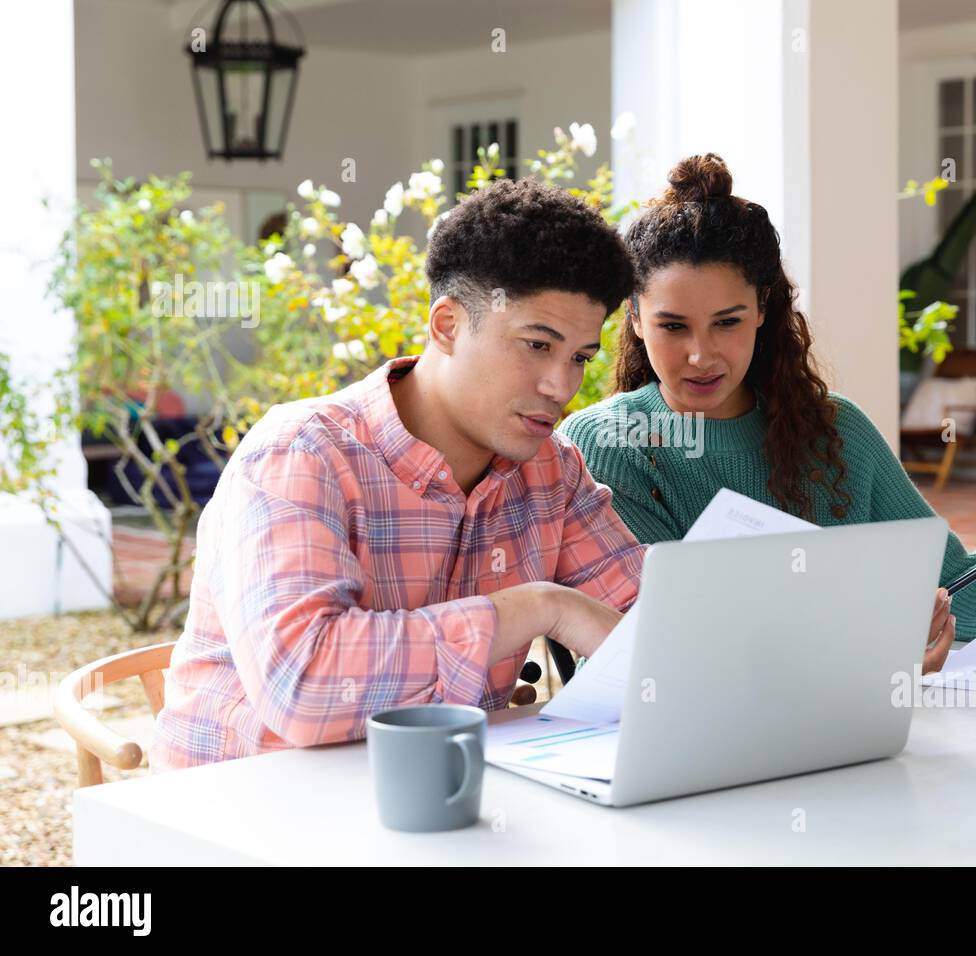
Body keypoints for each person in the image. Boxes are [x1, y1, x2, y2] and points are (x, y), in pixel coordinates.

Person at [559, 153, 976, 674]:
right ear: (634, 317)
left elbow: (948, 578)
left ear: (762, 310)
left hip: (845, 732)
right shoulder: (608, 443)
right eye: (672, 325)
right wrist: (873, 652)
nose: (701, 354)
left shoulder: (836, 430)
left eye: (728, 322)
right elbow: (676, 631)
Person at [151, 179, 644, 771]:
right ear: (447, 326)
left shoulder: (550, 470)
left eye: (580, 358)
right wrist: (539, 608)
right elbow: (303, 687)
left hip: (433, 799)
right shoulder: (301, 454)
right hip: (241, 811)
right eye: (538, 345)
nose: (561, 387)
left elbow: (652, 621)